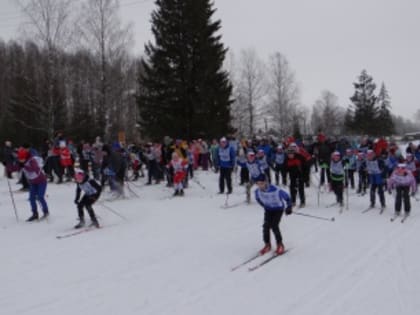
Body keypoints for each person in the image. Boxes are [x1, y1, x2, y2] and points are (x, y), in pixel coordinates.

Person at [255, 174, 292, 255]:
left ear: (266, 182)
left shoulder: (275, 189)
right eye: (258, 184)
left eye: (261, 183)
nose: (260, 186)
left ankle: (280, 244)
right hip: (268, 209)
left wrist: (289, 207)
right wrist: (264, 205)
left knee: (274, 225)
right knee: (266, 226)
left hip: (278, 209)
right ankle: (267, 244)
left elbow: (287, 197)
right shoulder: (257, 191)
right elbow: (258, 199)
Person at [17, 147, 49, 222]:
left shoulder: (32, 160)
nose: (21, 160)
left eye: (22, 158)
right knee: (31, 198)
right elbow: (18, 167)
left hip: (41, 181)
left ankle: (46, 212)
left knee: (40, 197)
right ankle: (35, 214)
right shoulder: (22, 162)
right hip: (33, 182)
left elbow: (35, 169)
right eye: (20, 159)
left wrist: (24, 166)